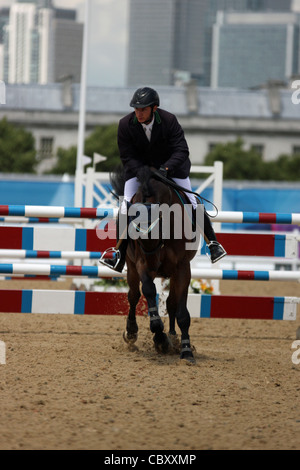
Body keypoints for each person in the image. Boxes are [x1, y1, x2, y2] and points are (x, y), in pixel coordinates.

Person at [100, 87, 226, 272]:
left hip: (171, 169)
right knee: (125, 206)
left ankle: (213, 244)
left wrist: (165, 169)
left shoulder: (169, 120)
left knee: (192, 201)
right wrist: (141, 170)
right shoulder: (125, 124)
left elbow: (181, 150)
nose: (139, 113)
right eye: (136, 109)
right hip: (139, 171)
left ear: (154, 108)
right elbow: (126, 155)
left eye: (143, 109)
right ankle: (118, 253)